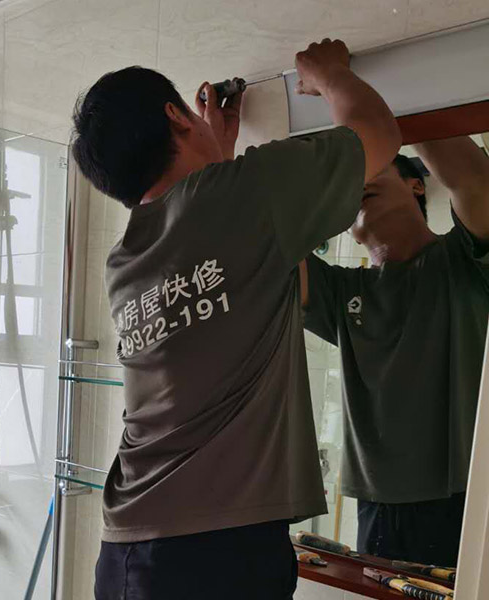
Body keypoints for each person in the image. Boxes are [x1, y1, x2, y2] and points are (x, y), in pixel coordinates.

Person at [71, 38, 401, 599]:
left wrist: (215, 157)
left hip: (126, 551)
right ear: (177, 115)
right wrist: (330, 74)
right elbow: (379, 134)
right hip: (217, 552)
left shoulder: (124, 261)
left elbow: (220, 239)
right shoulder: (248, 194)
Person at [301, 136, 489, 566]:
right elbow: (266, 246)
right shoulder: (341, 291)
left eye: (371, 169)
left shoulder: (464, 257)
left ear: (416, 184)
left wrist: (394, 112)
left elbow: (475, 181)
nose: (356, 184)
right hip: (376, 508)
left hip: (465, 497)